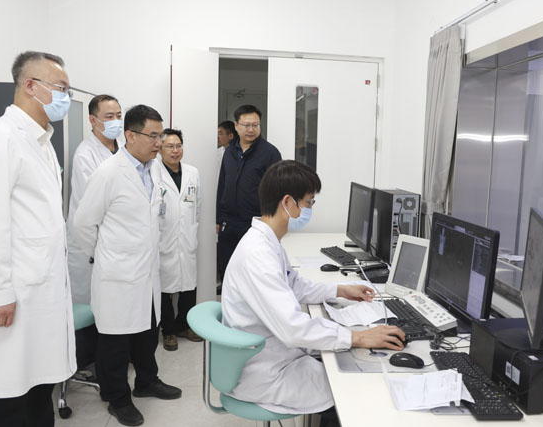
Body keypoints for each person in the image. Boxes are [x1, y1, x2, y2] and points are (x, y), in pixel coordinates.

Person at [221, 160, 405, 426]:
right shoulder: (258, 255)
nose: (309, 209)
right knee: (352, 389)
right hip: (265, 372)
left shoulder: (267, 241)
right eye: (308, 203)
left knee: (343, 361)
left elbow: (295, 286)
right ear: (288, 202)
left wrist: (340, 289)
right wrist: (358, 337)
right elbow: (293, 328)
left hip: (273, 354)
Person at [0, 50, 76, 427]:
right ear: (30, 85)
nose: (66, 97)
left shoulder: (42, 143)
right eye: (61, 88)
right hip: (14, 294)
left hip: (41, 291)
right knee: (8, 397)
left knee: (37, 390)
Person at [73, 105, 182, 426]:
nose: (159, 143)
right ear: (130, 136)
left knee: (146, 334)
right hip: (117, 275)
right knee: (115, 343)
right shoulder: (108, 173)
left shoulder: (154, 169)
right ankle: (117, 398)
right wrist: (106, 256)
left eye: (161, 135)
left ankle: (146, 381)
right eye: (153, 136)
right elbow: (83, 224)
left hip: (147, 272)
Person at [67, 94, 123, 304]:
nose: (116, 121)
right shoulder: (85, 154)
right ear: (93, 120)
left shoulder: (124, 148)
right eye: (109, 116)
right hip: (90, 243)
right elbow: (92, 206)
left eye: (119, 115)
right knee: (90, 305)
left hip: (116, 241)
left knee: (112, 304)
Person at [217, 105, 282, 283]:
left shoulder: (270, 153)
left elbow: (278, 191)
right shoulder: (229, 151)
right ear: (236, 126)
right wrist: (218, 218)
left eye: (255, 125)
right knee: (227, 272)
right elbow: (222, 184)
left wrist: (273, 223)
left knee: (253, 276)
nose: (251, 129)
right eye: (246, 125)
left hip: (256, 224)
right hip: (229, 224)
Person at [154, 128, 203, 351]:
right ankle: (169, 331)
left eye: (178, 146)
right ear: (160, 149)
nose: (175, 151)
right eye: (170, 146)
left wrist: (191, 227)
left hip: (186, 237)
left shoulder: (192, 172)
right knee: (164, 289)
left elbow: (197, 206)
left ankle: (184, 325)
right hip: (163, 238)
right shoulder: (153, 172)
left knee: (188, 286)